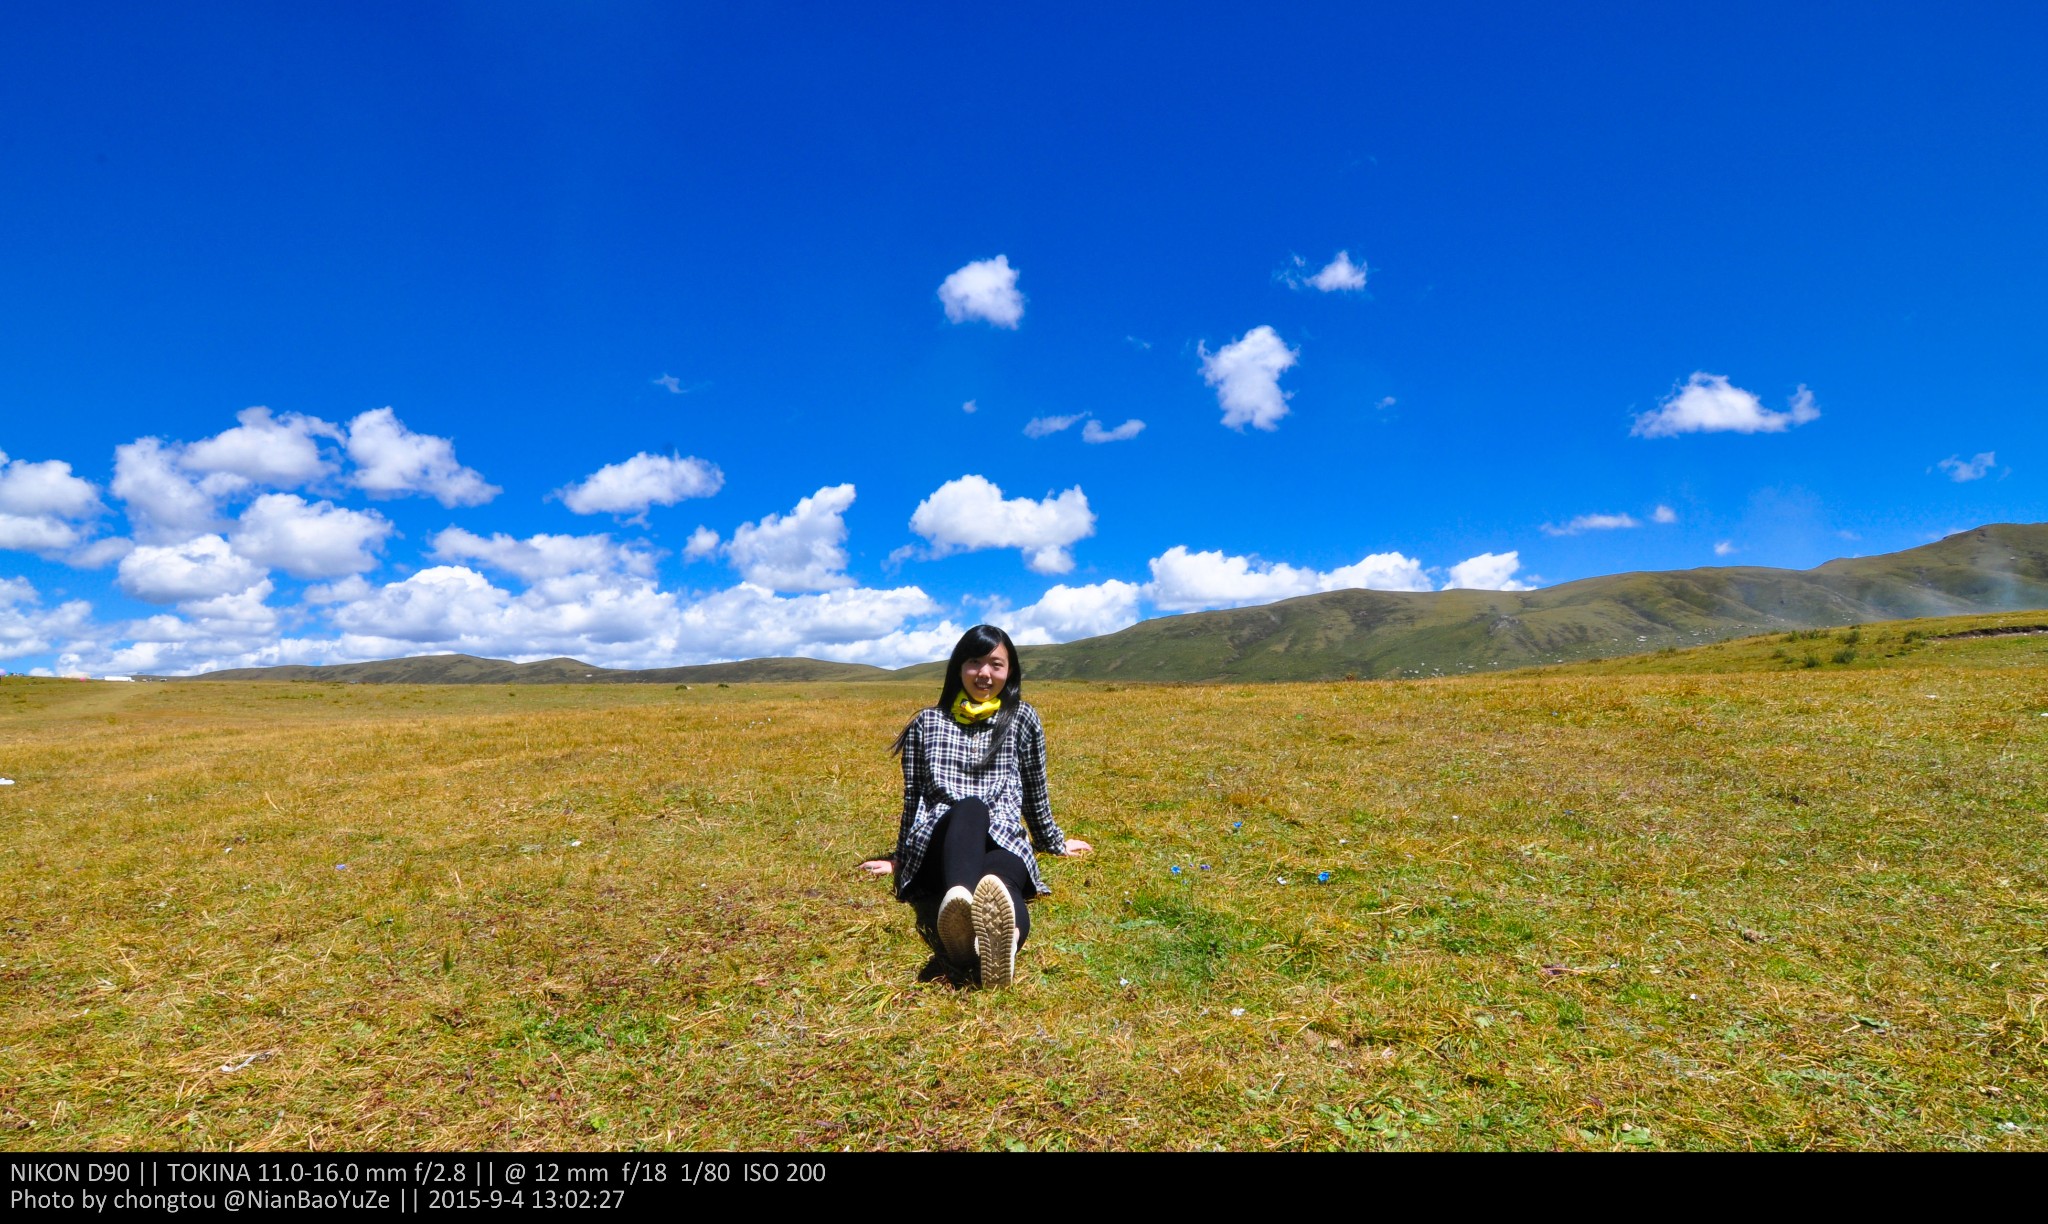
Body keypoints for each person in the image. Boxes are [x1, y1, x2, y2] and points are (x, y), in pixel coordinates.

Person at [860, 624, 1090, 987]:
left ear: (1009, 672)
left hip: (1002, 836)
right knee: (971, 807)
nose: (985, 673)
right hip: (942, 837)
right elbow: (913, 797)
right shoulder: (928, 723)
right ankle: (962, 908)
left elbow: (1035, 788)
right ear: (958, 667)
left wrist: (1053, 841)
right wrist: (899, 858)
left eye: (996, 665)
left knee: (999, 883)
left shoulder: (1022, 718)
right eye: (975, 662)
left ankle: (1002, 945)